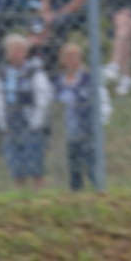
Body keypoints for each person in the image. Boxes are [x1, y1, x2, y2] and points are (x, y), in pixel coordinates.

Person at [0, 33, 51, 189]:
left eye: (19, 49)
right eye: (11, 50)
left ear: (25, 51)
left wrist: (37, 120)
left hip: (30, 118)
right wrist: (1, 121)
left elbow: (42, 95)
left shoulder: (34, 70)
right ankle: (20, 190)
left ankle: (38, 189)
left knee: (34, 157)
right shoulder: (2, 72)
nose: (15, 53)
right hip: (11, 118)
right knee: (14, 158)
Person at [51, 41, 109, 191]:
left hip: (87, 130)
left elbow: (103, 101)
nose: (71, 60)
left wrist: (100, 122)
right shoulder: (58, 81)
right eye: (67, 56)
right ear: (62, 59)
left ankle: (99, 191)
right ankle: (76, 194)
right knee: (74, 168)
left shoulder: (89, 78)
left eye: (75, 56)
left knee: (91, 165)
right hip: (68, 131)